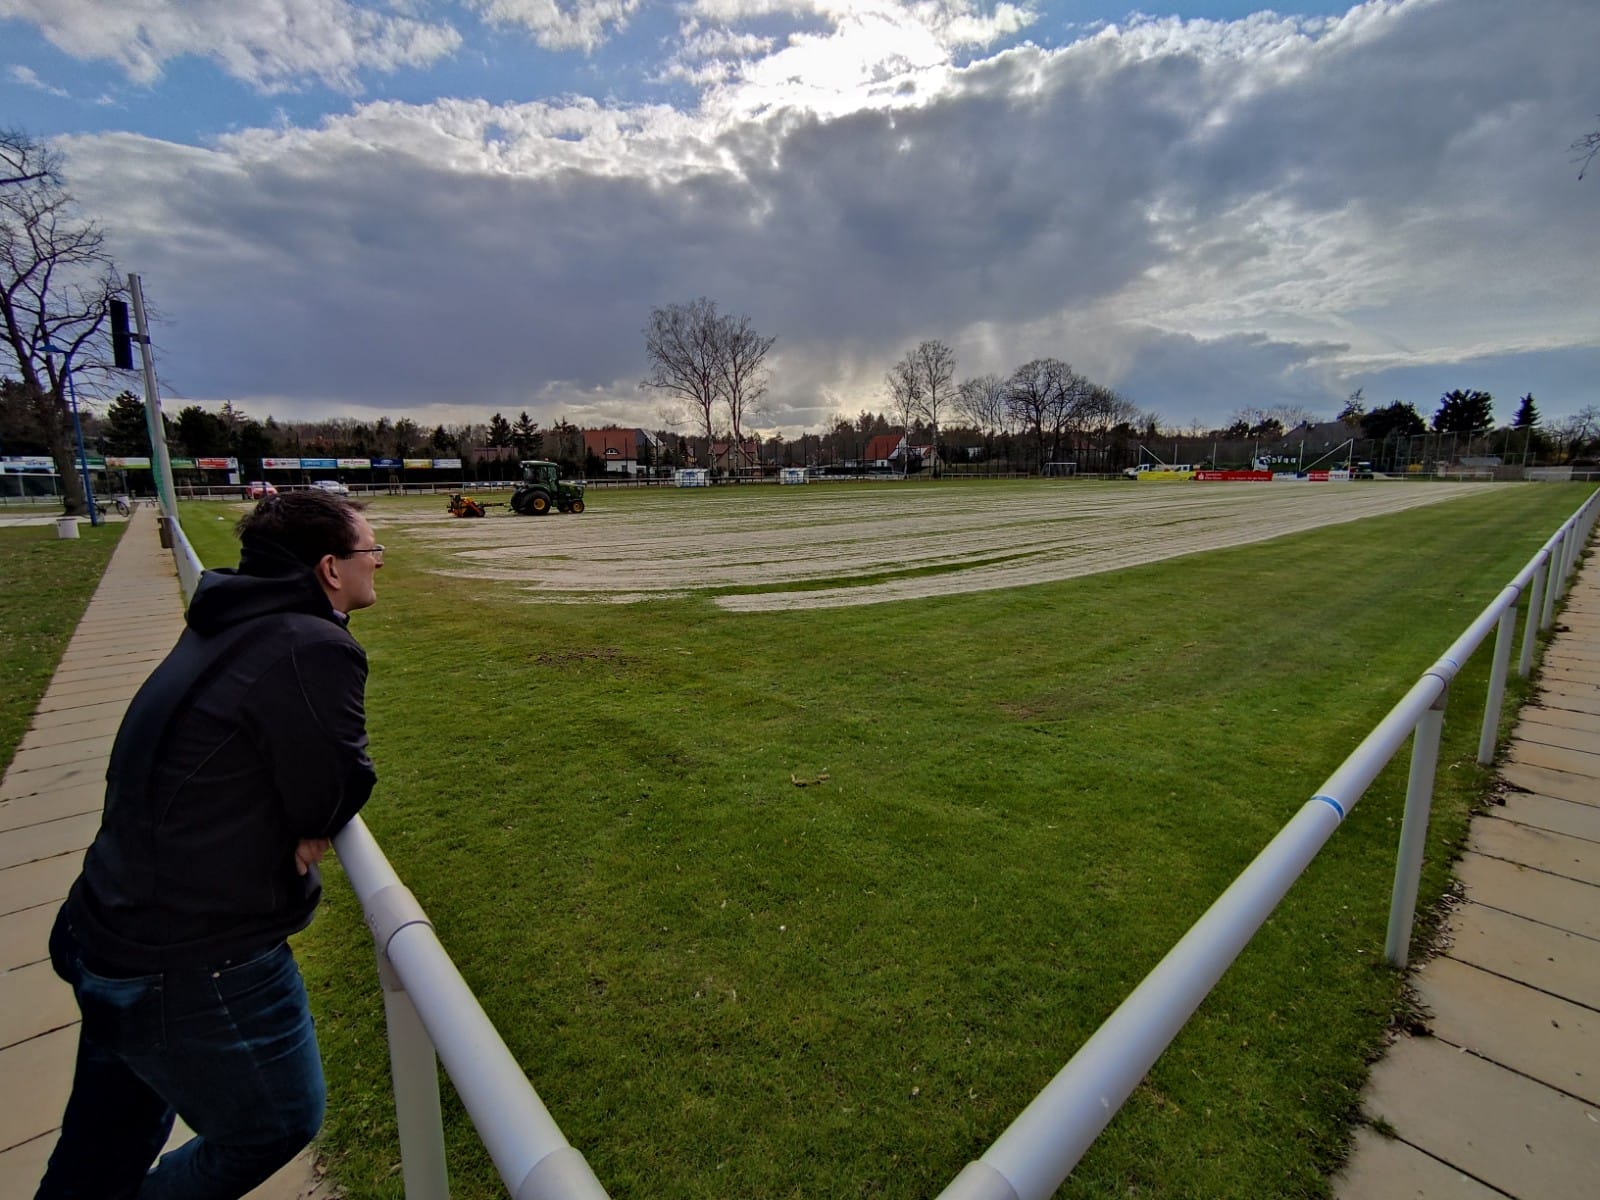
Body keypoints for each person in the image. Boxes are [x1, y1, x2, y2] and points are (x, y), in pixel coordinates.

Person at [37, 490, 384, 1200]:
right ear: (329, 568)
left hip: (106, 925)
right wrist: (308, 816)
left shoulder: (229, 617)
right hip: (186, 957)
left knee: (101, 1151)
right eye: (370, 551)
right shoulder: (311, 644)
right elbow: (333, 788)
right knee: (275, 1123)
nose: (378, 562)